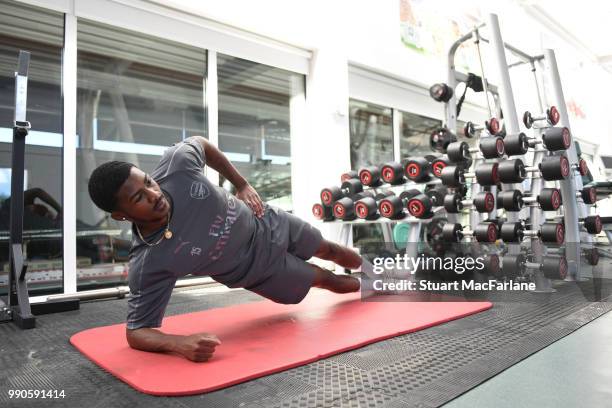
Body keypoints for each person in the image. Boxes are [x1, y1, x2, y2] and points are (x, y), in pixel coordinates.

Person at [87, 136, 366, 363]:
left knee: (329, 249)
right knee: (325, 279)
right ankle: (371, 286)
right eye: (139, 198)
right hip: (258, 271)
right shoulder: (150, 260)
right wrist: (179, 344)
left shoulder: (178, 166)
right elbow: (136, 331)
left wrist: (241, 183)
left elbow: (202, 144)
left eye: (148, 181)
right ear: (121, 215)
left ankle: (381, 273)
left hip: (266, 222)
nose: (154, 194)